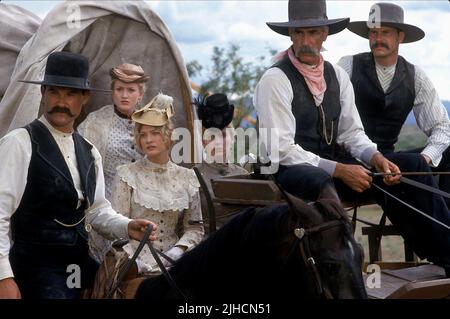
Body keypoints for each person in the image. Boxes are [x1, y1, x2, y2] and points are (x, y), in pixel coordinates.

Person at [254, 0, 450, 276]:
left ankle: (445, 253)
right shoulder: (276, 79)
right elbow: (281, 150)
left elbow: (352, 133)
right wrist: (341, 170)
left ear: (325, 34)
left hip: (333, 167)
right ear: (290, 36)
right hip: (286, 171)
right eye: (298, 33)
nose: (305, 41)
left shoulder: (335, 76)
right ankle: (341, 271)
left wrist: (377, 158)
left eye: (312, 33)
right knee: (320, 180)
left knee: (411, 165)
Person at [0, 51, 158, 299]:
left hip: (77, 263)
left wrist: (128, 227)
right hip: (35, 266)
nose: (60, 101)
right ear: (43, 94)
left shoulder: (89, 151)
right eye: (54, 91)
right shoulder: (20, 143)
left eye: (70, 93)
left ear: (85, 97)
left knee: (134, 289)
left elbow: (96, 211)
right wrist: (4, 277)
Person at [338, 2, 450, 206]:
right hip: (351, 161)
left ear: (400, 37)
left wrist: (424, 159)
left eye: (385, 32)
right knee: (413, 163)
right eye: (373, 33)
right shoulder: (348, 66)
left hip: (391, 159)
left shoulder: (415, 76)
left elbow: (442, 127)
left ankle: (445, 217)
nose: (378, 39)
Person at [111, 93, 204, 274]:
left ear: (167, 134)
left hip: (175, 265)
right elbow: (117, 227)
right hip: (134, 264)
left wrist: (178, 251)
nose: (148, 140)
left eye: (155, 133)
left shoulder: (187, 177)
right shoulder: (126, 174)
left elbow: (195, 228)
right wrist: (134, 262)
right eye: (143, 134)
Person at [77, 63, 148, 262]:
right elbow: (81, 164)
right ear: (112, 91)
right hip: (105, 203)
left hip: (143, 204)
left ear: (140, 94)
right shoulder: (96, 122)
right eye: (119, 89)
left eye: (131, 90)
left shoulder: (151, 122)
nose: (124, 95)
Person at [193, 93, 249, 233]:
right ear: (203, 141)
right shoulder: (191, 177)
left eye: (223, 135)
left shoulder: (244, 175)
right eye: (211, 136)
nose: (217, 142)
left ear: (233, 137)